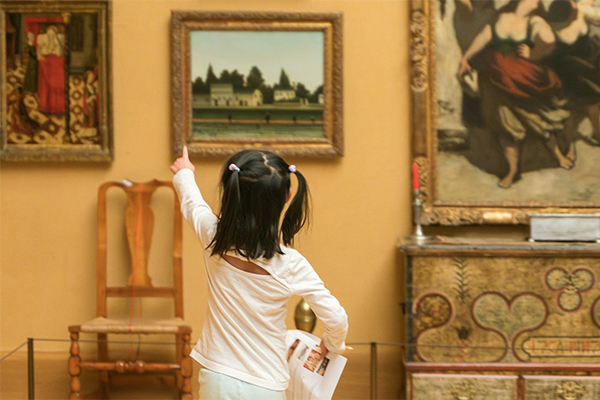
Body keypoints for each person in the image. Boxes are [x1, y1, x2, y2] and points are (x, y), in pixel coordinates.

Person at [170, 147, 348, 399]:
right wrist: (331, 344)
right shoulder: (290, 264)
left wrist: (185, 173)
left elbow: (192, 202)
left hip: (217, 379)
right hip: (267, 384)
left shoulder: (213, 237)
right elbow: (337, 319)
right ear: (287, 196)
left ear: (233, 192)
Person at [458, 0, 572, 188]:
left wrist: (532, 53)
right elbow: (484, 37)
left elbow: (550, 44)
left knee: (537, 119)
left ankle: (557, 155)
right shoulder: (501, 17)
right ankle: (512, 171)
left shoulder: (536, 22)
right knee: (505, 125)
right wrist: (465, 58)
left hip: (521, 79)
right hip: (495, 78)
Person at [543, 0, 600, 160]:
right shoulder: (578, 14)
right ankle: (595, 133)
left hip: (572, 73)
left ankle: (573, 146)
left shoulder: (551, 24)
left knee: (576, 109)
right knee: (590, 104)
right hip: (584, 73)